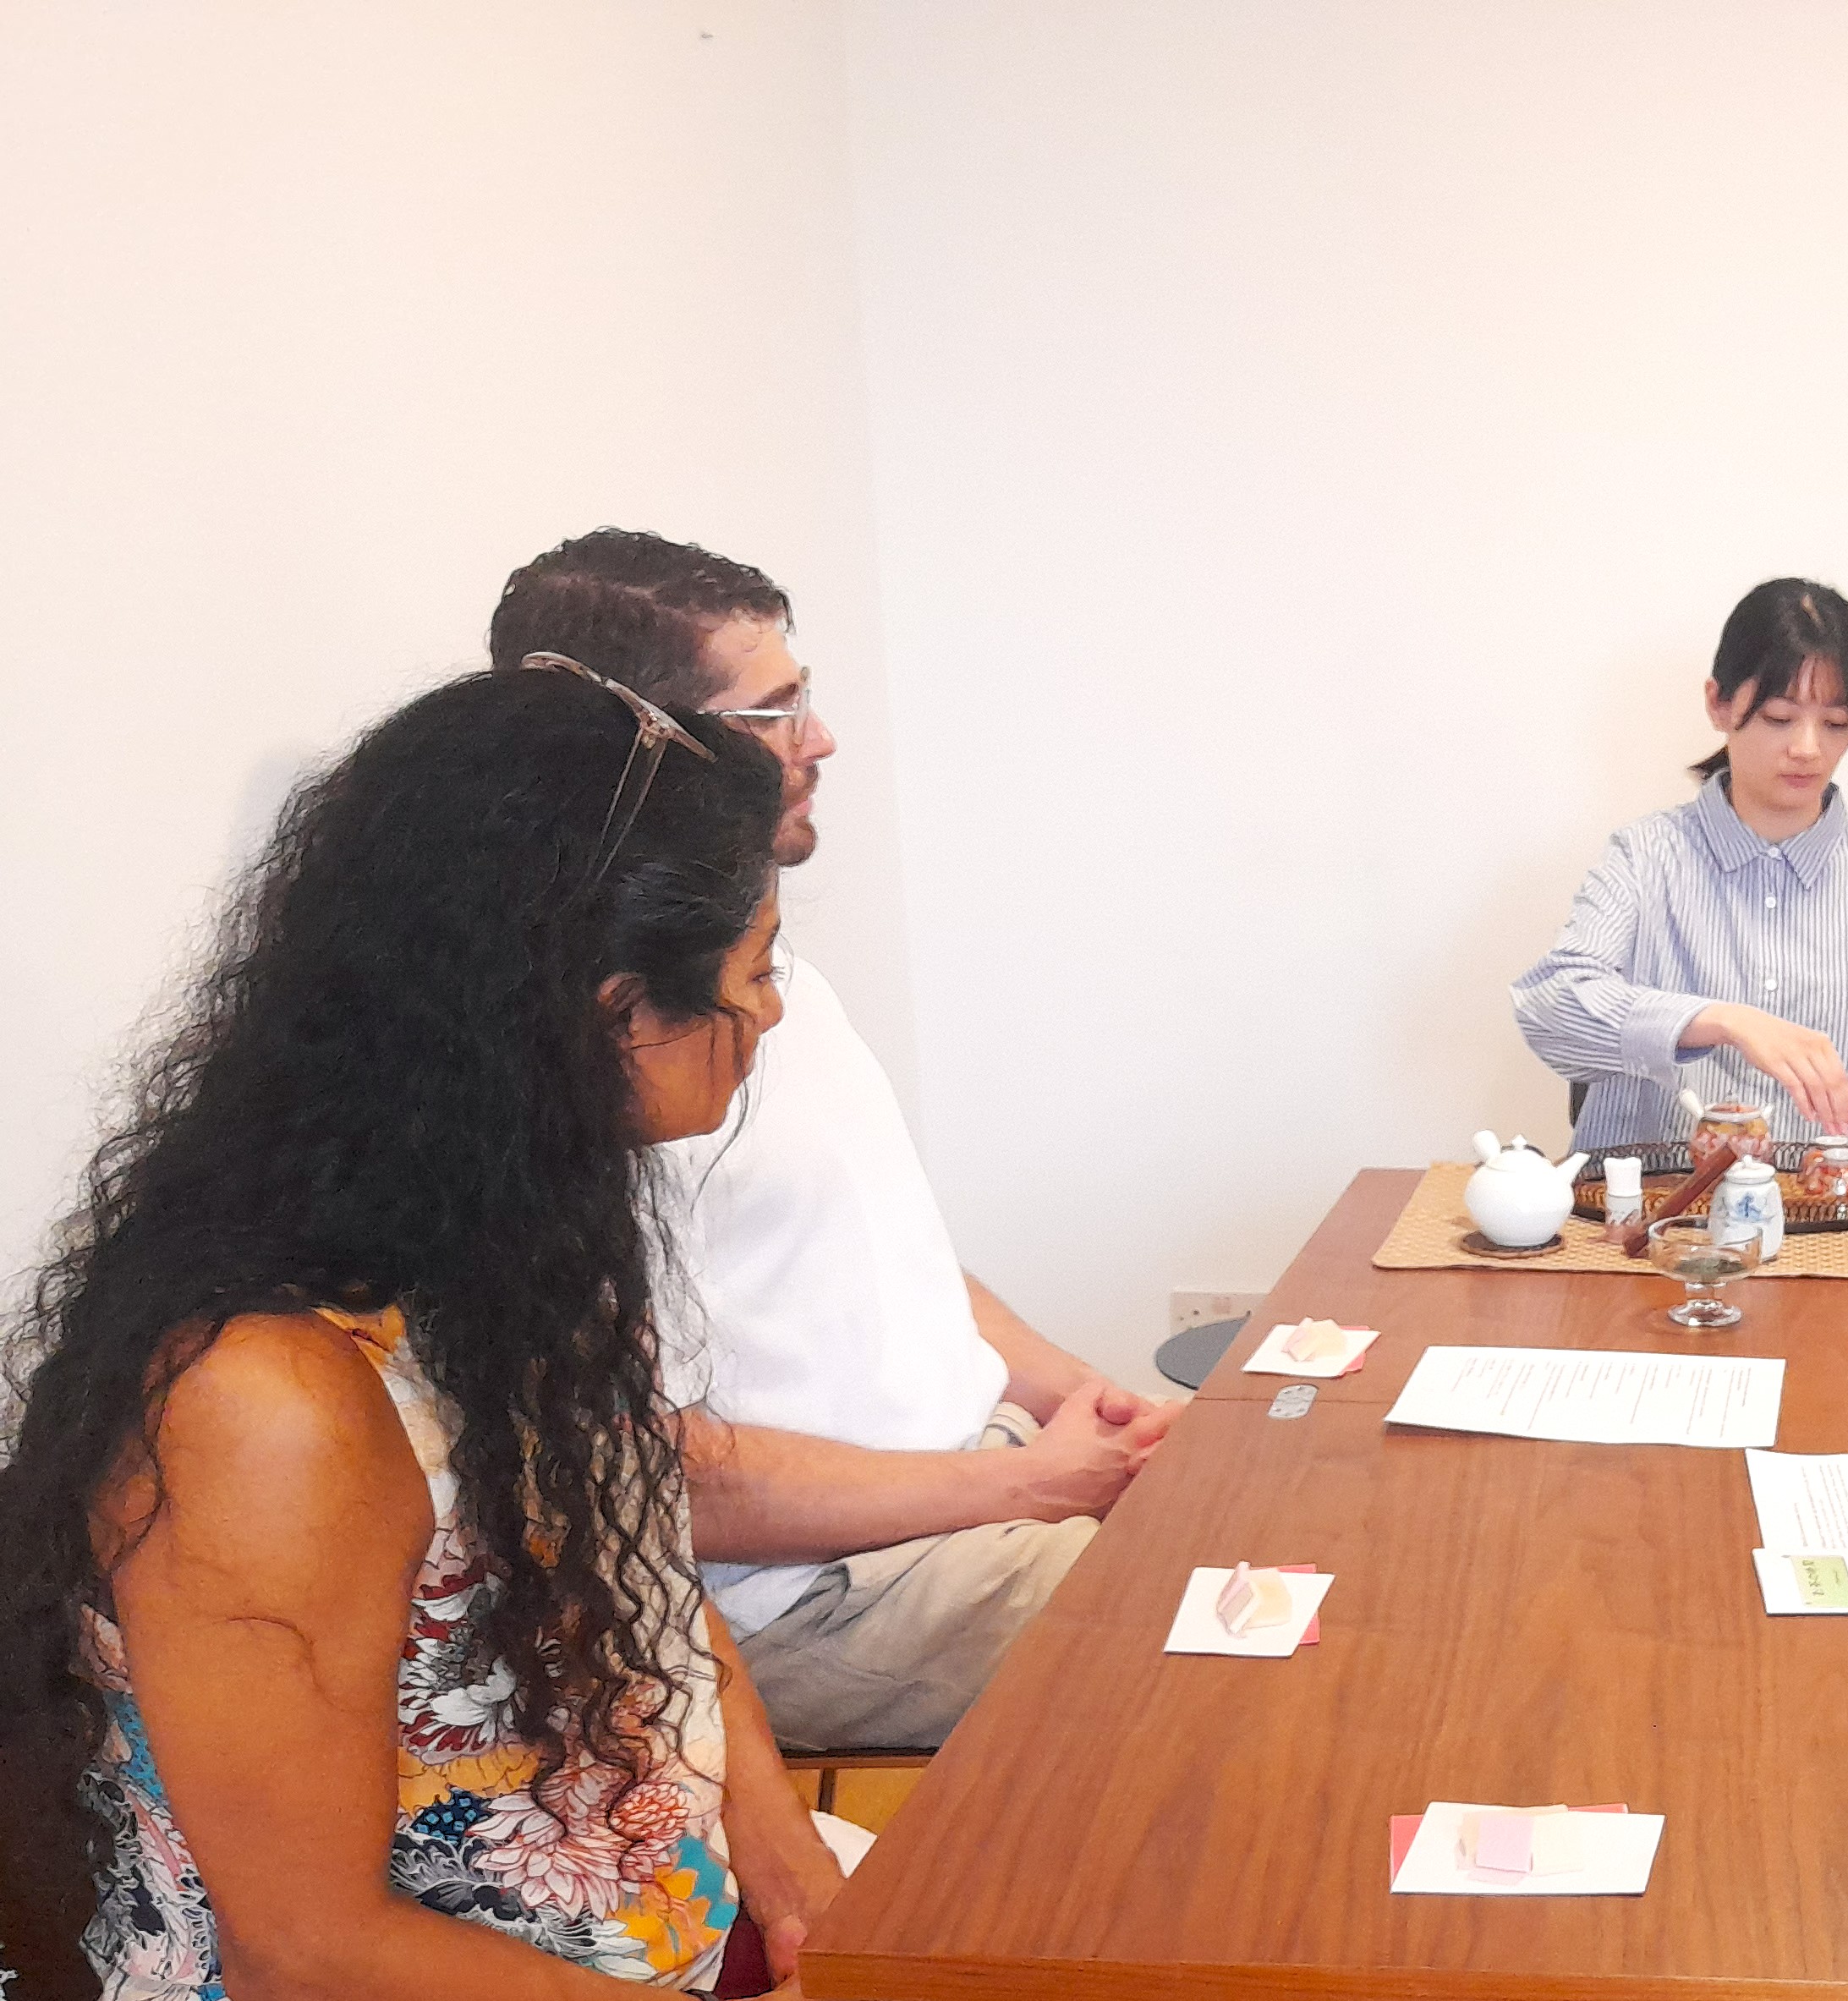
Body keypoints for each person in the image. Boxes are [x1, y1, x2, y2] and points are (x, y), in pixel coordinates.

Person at [0, 669, 831, 1998]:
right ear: (614, 1015)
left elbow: (644, 1591)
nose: (773, 1009)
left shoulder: (517, 1241)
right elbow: (309, 1953)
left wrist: (792, 1873)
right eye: (757, 967)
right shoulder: (266, 1405)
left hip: (648, 1930)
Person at [489, 529, 1182, 1752]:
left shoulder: (767, 973)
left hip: (974, 1485)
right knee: (1255, 1646)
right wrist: (1030, 1484)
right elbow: (655, 1472)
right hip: (819, 1592)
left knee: (1292, 1520)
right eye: (774, 712)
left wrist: (1093, 1404)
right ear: (642, 744)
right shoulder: (603, 1061)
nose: (820, 739)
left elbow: (891, 1256)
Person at [1511, 577, 1848, 1168]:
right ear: (1719, 703)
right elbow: (1550, 1006)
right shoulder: (1645, 856)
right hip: (1649, 1212)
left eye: (1836, 723)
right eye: (1780, 717)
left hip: (1825, 1215)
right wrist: (1718, 1021)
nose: (1808, 748)